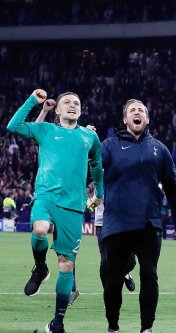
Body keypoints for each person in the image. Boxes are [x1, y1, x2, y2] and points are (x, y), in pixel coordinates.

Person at [7, 89, 103, 333]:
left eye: (77, 102)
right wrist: (33, 101)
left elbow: (96, 164)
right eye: (67, 103)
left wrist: (100, 191)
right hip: (46, 197)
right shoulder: (46, 130)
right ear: (58, 110)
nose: (72, 105)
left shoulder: (88, 136)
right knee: (39, 229)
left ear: (81, 110)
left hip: (73, 206)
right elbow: (13, 125)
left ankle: (57, 324)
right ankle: (40, 268)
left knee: (66, 265)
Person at [101, 99, 176, 333]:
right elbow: (92, 166)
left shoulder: (159, 149)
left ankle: (146, 332)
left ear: (147, 119)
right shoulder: (109, 146)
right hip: (116, 223)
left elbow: (173, 186)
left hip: (149, 223)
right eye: (132, 111)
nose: (137, 113)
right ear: (125, 120)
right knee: (112, 280)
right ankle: (113, 329)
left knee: (149, 274)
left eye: (142, 110)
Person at [34, 103, 136, 306]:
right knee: (89, 256)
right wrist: (82, 137)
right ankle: (73, 288)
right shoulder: (101, 154)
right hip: (102, 217)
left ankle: (125, 273)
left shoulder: (127, 165)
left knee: (130, 258)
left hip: (125, 217)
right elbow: (90, 157)